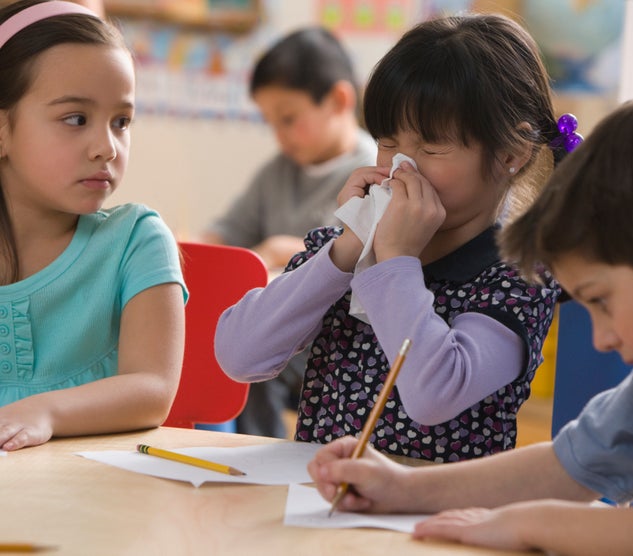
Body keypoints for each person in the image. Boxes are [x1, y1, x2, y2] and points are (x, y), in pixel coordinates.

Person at [307, 98, 633, 555]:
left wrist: (531, 524)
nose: (602, 339)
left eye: (601, 300)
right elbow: (568, 467)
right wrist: (402, 488)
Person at [215, 14, 569, 462]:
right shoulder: (345, 248)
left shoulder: (517, 275)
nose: (402, 165)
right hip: (318, 500)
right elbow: (239, 357)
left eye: (432, 146)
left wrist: (397, 262)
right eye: (387, 141)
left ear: (511, 154)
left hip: (431, 519)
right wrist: (344, 250)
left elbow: (433, 394)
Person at [0, 0, 187, 451]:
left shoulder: (136, 240)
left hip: (93, 500)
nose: (106, 147)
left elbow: (152, 390)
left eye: (121, 122)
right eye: (76, 119)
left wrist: (43, 410)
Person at [203, 26, 376, 438]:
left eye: (288, 119)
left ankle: (259, 459)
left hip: (333, 331)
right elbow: (228, 233)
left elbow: (352, 259)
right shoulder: (277, 172)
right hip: (278, 317)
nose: (279, 136)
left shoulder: (369, 169)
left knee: (256, 360)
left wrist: (287, 252)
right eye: (270, 122)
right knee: (225, 339)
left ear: (338, 101)